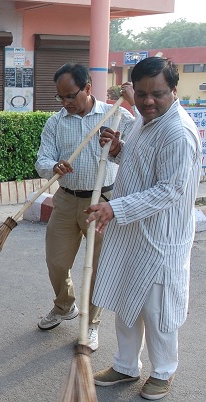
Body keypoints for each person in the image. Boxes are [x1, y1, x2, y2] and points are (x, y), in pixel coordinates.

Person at [86, 57, 201, 400]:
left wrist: (114, 207)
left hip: (162, 240)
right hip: (132, 233)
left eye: (158, 94)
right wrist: (120, 149)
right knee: (126, 300)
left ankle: (163, 372)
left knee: (158, 311)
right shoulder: (143, 121)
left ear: (174, 92)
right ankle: (125, 365)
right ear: (133, 90)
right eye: (142, 93)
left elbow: (170, 190)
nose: (149, 101)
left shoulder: (178, 132)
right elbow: (140, 165)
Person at [34, 63, 135, 351]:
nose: (65, 103)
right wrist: (53, 166)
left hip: (102, 200)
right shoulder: (55, 122)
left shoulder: (116, 114)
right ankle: (65, 306)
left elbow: (139, 149)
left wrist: (118, 147)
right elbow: (42, 159)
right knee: (57, 261)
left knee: (97, 267)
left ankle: (90, 324)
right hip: (65, 198)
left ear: (88, 89)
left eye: (70, 96)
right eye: (60, 98)